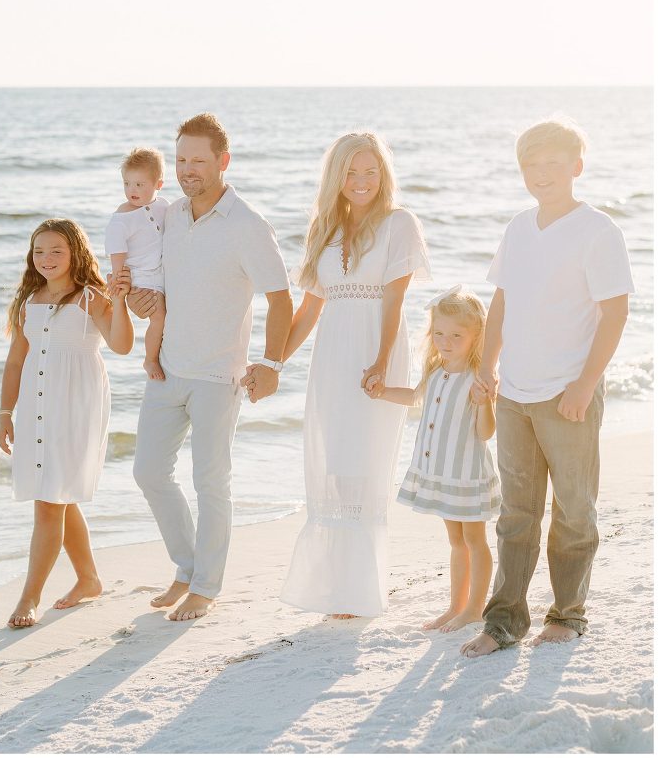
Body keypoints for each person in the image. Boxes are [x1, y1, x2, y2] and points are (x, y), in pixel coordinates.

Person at [461, 118, 634, 658]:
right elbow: (503, 300)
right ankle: (505, 621)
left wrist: (585, 384)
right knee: (516, 513)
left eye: (554, 165)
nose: (542, 175)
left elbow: (615, 313)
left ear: (576, 168)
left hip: (568, 394)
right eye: (532, 166)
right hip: (513, 392)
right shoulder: (518, 227)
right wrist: (486, 367)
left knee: (574, 510)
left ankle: (568, 613)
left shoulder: (598, 230)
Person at [127, 113, 292, 622]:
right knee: (149, 471)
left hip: (220, 377)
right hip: (167, 369)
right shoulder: (169, 215)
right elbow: (157, 284)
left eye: (198, 160)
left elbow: (281, 300)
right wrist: (140, 302)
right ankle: (186, 566)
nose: (187, 170)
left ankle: (206, 585)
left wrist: (271, 362)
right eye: (180, 160)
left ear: (223, 161)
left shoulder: (247, 224)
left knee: (210, 482)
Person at [279, 132, 430, 618]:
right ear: (336, 177)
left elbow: (395, 298)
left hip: (375, 349)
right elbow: (308, 309)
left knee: (366, 466)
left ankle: (361, 590)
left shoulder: (399, 224)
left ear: (383, 175)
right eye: (351, 172)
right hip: (331, 356)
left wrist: (383, 359)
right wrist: (272, 361)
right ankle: (337, 587)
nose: (361, 181)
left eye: (371, 171)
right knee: (338, 465)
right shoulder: (324, 228)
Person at [0, 218, 133, 629]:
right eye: (39, 251)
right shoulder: (29, 301)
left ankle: (29, 597)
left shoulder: (92, 299)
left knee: (49, 501)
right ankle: (89, 579)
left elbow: (122, 346)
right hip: (35, 409)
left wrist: (120, 301)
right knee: (57, 493)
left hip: (76, 406)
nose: (46, 258)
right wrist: (5, 412)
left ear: (75, 252)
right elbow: (16, 360)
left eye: (56, 250)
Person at [365, 286, 500, 631]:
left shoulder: (477, 379)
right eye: (439, 333)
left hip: (466, 475)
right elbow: (414, 397)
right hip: (441, 473)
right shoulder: (435, 372)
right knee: (456, 542)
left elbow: (486, 433)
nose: (446, 341)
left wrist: (485, 401)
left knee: (474, 540)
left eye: (457, 335)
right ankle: (456, 606)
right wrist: (382, 393)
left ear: (476, 337)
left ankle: (474, 608)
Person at [105, 146, 168, 381]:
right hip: (140, 277)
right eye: (127, 183)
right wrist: (121, 283)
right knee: (158, 316)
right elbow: (117, 252)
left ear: (158, 185)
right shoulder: (121, 219)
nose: (132, 190)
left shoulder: (163, 206)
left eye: (139, 184)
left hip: (161, 272)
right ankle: (150, 359)